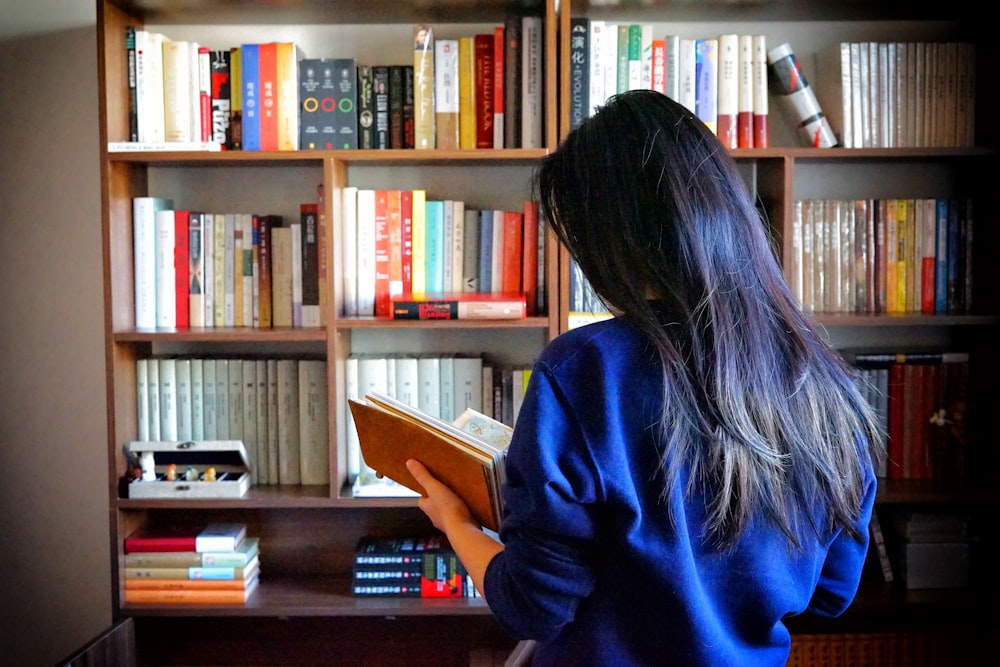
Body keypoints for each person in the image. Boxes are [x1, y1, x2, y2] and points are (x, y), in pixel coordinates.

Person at [405, 90, 884, 666]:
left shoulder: (584, 370)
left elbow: (533, 606)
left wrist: (455, 521)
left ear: (613, 240)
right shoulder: (826, 387)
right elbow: (830, 596)